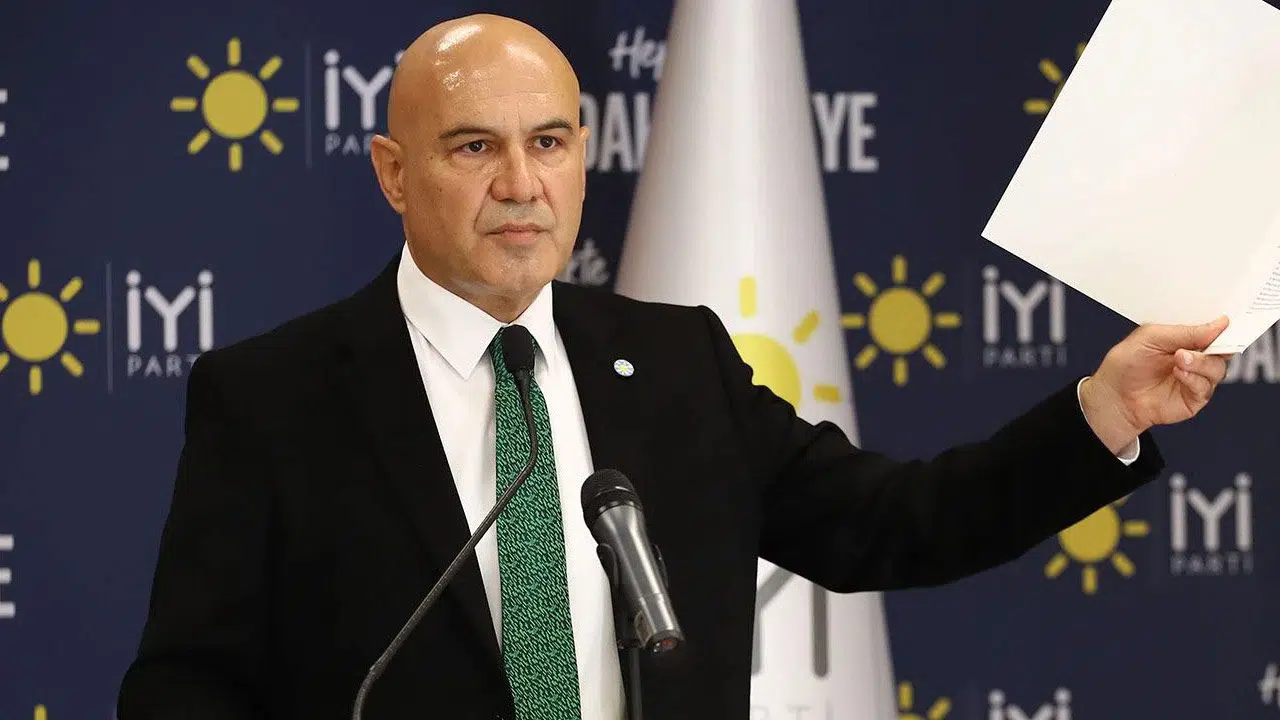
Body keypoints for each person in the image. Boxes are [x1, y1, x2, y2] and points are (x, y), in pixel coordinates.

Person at [116, 13, 1229, 720]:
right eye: (474, 147)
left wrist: (1100, 412)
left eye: (550, 142)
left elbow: (897, 524)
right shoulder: (272, 400)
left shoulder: (673, 362)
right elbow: (185, 691)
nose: (521, 184)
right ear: (393, 173)